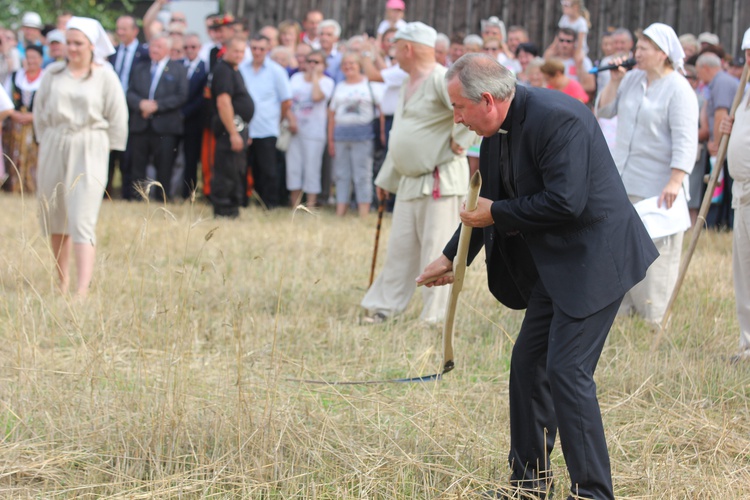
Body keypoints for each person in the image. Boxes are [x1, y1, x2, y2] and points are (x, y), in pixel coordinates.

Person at [417, 52, 657, 500]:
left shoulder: (558, 118)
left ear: (487, 99)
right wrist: (453, 257)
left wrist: (499, 213)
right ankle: (528, 485)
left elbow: (565, 201)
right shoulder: (494, 133)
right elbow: (485, 204)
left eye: (459, 108)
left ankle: (593, 493)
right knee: (528, 366)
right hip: (558, 265)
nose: (456, 118)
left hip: (598, 259)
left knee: (567, 371)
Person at [360, 22, 476, 324]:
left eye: (396, 47)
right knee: (400, 249)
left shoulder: (441, 78)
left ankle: (435, 316)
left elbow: (470, 105)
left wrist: (459, 139)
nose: (393, 53)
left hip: (438, 179)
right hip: (410, 181)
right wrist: (386, 178)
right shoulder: (405, 83)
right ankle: (385, 307)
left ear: (408, 48)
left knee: (436, 249)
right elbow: (401, 134)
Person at [597, 23, 699, 325]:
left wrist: (675, 180)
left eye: (643, 49)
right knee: (621, 249)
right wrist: (615, 81)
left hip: (658, 186)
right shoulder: (632, 80)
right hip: (624, 180)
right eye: (636, 48)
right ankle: (625, 312)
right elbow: (603, 111)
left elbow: (685, 140)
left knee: (656, 253)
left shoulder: (679, 89)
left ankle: (654, 317)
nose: (635, 53)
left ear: (662, 53)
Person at [33, 17, 128, 297]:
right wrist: (48, 141)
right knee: (55, 215)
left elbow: (118, 118)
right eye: (68, 43)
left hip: (89, 145)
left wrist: (104, 152)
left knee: (82, 216)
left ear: (91, 45)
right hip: (54, 143)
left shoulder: (105, 75)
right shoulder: (52, 74)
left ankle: (81, 289)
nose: (72, 48)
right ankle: (61, 282)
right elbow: (40, 114)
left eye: (78, 43)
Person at [126, 34, 188, 201]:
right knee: (138, 163)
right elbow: (130, 92)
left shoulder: (178, 69)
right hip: (141, 124)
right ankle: (137, 197)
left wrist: (156, 106)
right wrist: (141, 104)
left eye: (159, 47)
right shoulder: (140, 67)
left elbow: (182, 96)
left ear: (167, 49)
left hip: (165, 125)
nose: (154, 50)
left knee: (165, 164)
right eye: (152, 46)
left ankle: (163, 197)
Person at [719, 27, 750, 362]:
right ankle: (748, 342)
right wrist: (731, 127)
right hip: (741, 192)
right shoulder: (744, 94)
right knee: (744, 272)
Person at [239, 34, 292, 209]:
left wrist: (279, 119)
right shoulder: (242, 68)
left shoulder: (276, 70)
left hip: (267, 127)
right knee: (245, 167)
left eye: (261, 49)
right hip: (245, 127)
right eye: (254, 48)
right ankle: (245, 201)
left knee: (268, 169)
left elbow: (286, 100)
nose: (257, 52)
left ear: (267, 50)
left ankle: (270, 203)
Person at [327, 52, 380, 217]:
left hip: (363, 136)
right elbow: (332, 114)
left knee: (362, 174)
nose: (349, 67)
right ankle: (340, 211)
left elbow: (381, 110)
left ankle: (363, 212)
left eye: (352, 63)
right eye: (345, 64)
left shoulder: (369, 84)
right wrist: (330, 139)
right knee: (342, 174)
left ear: (359, 66)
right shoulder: (340, 86)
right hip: (341, 136)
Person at [209, 37, 254, 218]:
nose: (239, 55)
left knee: (236, 168)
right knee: (227, 169)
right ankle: (224, 209)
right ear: (226, 50)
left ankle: (232, 208)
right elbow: (223, 103)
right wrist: (233, 133)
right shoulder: (224, 70)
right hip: (229, 129)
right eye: (236, 51)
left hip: (238, 127)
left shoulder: (234, 69)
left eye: (242, 52)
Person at [286, 50, 334, 208]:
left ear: (324, 65)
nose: (312, 65)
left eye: (316, 62)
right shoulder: (295, 79)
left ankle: (310, 206)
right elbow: (288, 102)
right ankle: (295, 205)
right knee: (294, 168)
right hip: (294, 131)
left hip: (314, 132)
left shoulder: (327, 82)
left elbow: (316, 97)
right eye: (309, 61)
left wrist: (314, 77)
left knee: (312, 169)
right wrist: (291, 119)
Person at [697, 51, 740, 229]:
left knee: (728, 189)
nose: (698, 76)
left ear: (705, 68)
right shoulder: (719, 82)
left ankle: (727, 225)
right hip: (729, 143)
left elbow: (721, 115)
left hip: (728, 144)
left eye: (698, 71)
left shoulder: (721, 82)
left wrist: (716, 143)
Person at [108, 15, 149, 199]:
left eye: (124, 29)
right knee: (110, 153)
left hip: (134, 111)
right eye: (118, 29)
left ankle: (127, 194)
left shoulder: (145, 53)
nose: (120, 32)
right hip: (112, 109)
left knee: (129, 155)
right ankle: (105, 192)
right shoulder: (112, 52)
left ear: (135, 31)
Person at [5, 45, 43, 194]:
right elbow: (6, 100)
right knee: (14, 154)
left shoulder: (46, 77)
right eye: (28, 57)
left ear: (40, 59)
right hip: (16, 125)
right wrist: (14, 114)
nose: (31, 61)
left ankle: (32, 187)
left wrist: (33, 116)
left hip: (37, 126)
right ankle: (14, 186)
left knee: (35, 156)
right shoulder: (15, 76)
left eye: (34, 57)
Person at [181, 33, 208, 198]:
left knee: (193, 158)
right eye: (186, 47)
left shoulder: (205, 68)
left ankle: (192, 193)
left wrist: (185, 112)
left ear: (199, 48)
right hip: (177, 118)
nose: (189, 50)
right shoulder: (177, 65)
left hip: (195, 120)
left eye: (193, 47)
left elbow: (202, 96)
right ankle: (182, 192)